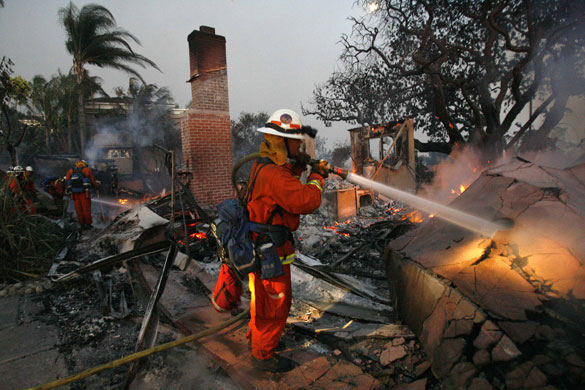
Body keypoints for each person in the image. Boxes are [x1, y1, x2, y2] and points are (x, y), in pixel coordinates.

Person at [212, 109, 330, 373]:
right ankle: (263, 356)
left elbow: (284, 179)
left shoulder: (267, 166)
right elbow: (305, 201)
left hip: (263, 247)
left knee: (262, 300)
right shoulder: (274, 175)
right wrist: (317, 177)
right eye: (296, 141)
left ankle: (259, 337)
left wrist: (301, 165)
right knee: (275, 303)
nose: (300, 145)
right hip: (269, 253)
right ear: (282, 142)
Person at [65, 160, 98, 229]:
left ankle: (82, 224)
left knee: (78, 209)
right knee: (86, 209)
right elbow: (92, 180)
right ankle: (88, 224)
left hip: (74, 194)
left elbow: (67, 180)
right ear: (84, 164)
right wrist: (96, 186)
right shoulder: (87, 170)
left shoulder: (70, 171)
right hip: (84, 193)